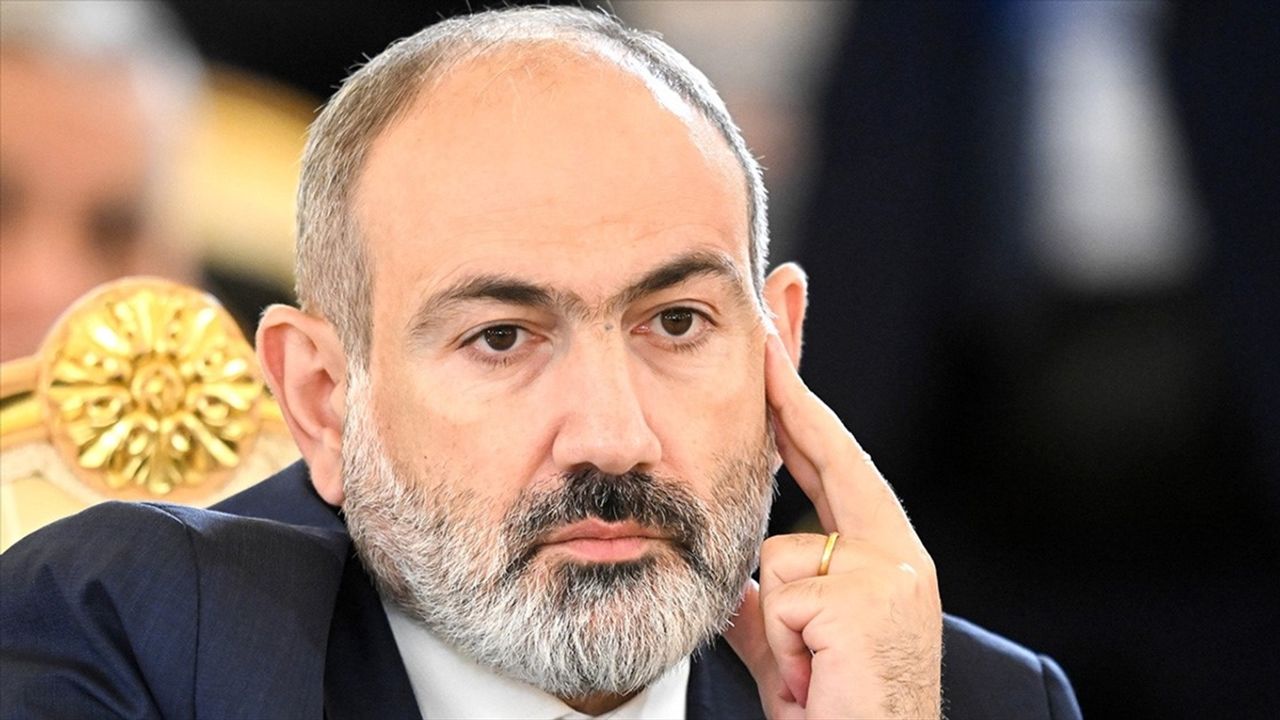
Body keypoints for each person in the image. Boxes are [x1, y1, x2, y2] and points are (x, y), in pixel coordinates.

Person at [0, 8, 1081, 719]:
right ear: (325, 401)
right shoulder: (125, 635)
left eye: (675, 324)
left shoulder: (963, 700)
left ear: (779, 347)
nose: (612, 438)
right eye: (502, 338)